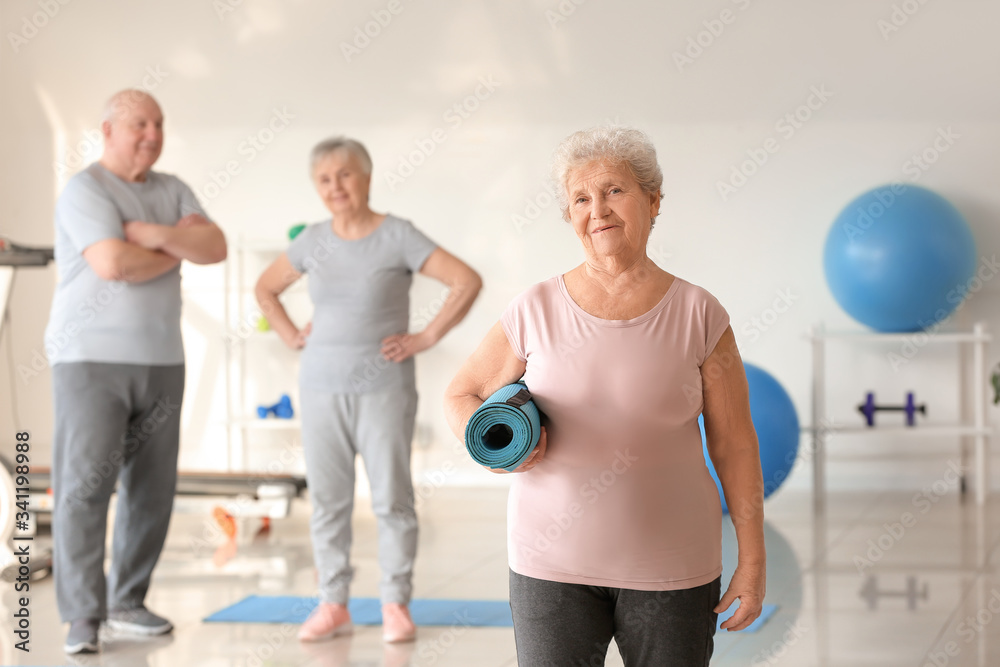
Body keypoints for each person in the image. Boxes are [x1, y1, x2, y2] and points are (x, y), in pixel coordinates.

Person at [444, 126, 766, 665]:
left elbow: (734, 443)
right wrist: (493, 452)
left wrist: (752, 560)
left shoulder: (700, 313)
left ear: (653, 200)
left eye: (614, 190)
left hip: (673, 568)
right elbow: (463, 394)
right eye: (580, 198)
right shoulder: (534, 308)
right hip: (550, 568)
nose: (598, 210)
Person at [255, 137, 482, 643]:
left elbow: (465, 280)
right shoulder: (313, 240)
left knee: (392, 501)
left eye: (345, 174)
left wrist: (425, 336)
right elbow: (265, 288)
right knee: (329, 503)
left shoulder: (397, 234)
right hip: (319, 388)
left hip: (384, 389)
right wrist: (290, 333)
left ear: (367, 176)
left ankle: (395, 604)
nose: (336, 186)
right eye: (325, 179)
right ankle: (333, 604)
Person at [45, 89, 227, 655]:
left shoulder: (172, 188)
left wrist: (149, 234)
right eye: (138, 124)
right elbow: (111, 263)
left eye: (158, 122)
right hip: (88, 359)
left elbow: (215, 245)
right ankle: (82, 614)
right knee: (85, 488)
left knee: (151, 491)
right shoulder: (87, 189)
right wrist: (178, 247)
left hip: (162, 360)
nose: (151, 133)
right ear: (108, 130)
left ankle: (128, 602)